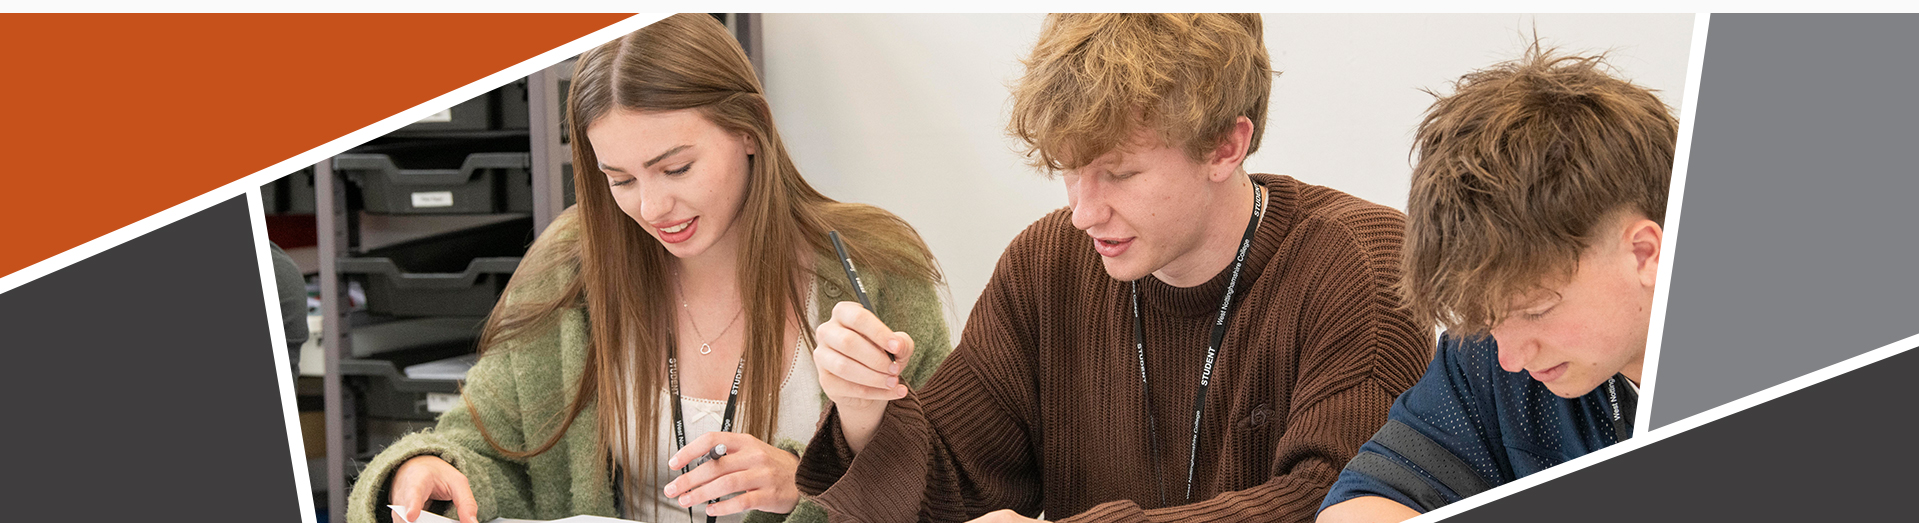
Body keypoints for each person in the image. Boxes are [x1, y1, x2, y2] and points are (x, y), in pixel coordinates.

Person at [799, 14, 1431, 523]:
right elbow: (951, 486)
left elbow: (1337, 499)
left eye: (1120, 173)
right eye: (1068, 171)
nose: (1083, 211)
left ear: (1225, 146)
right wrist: (865, 408)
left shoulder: (1358, 261)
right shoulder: (1047, 265)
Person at [344, 14, 952, 523]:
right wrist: (429, 467)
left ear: (750, 131)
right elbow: (487, 446)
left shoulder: (873, 270)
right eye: (621, 180)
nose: (652, 208)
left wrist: (805, 480)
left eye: (676, 168)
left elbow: (950, 484)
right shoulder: (572, 264)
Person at [1315, 47, 1677, 522]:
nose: (1511, 357)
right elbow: (1361, 506)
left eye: (1535, 310)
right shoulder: (1488, 354)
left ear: (1644, 254)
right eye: (1484, 318)